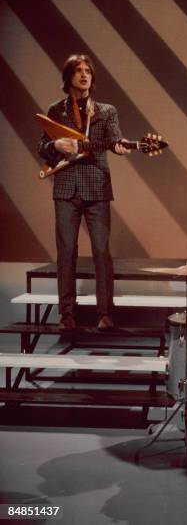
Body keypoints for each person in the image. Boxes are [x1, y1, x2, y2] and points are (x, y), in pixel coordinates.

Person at [38, 54, 130, 331]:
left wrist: (122, 146)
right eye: (78, 71)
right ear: (68, 78)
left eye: (87, 70)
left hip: (96, 187)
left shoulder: (105, 111)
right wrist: (56, 147)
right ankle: (67, 314)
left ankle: (105, 313)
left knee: (101, 251)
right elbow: (42, 147)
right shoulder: (56, 111)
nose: (84, 75)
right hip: (66, 188)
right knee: (66, 251)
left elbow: (114, 140)